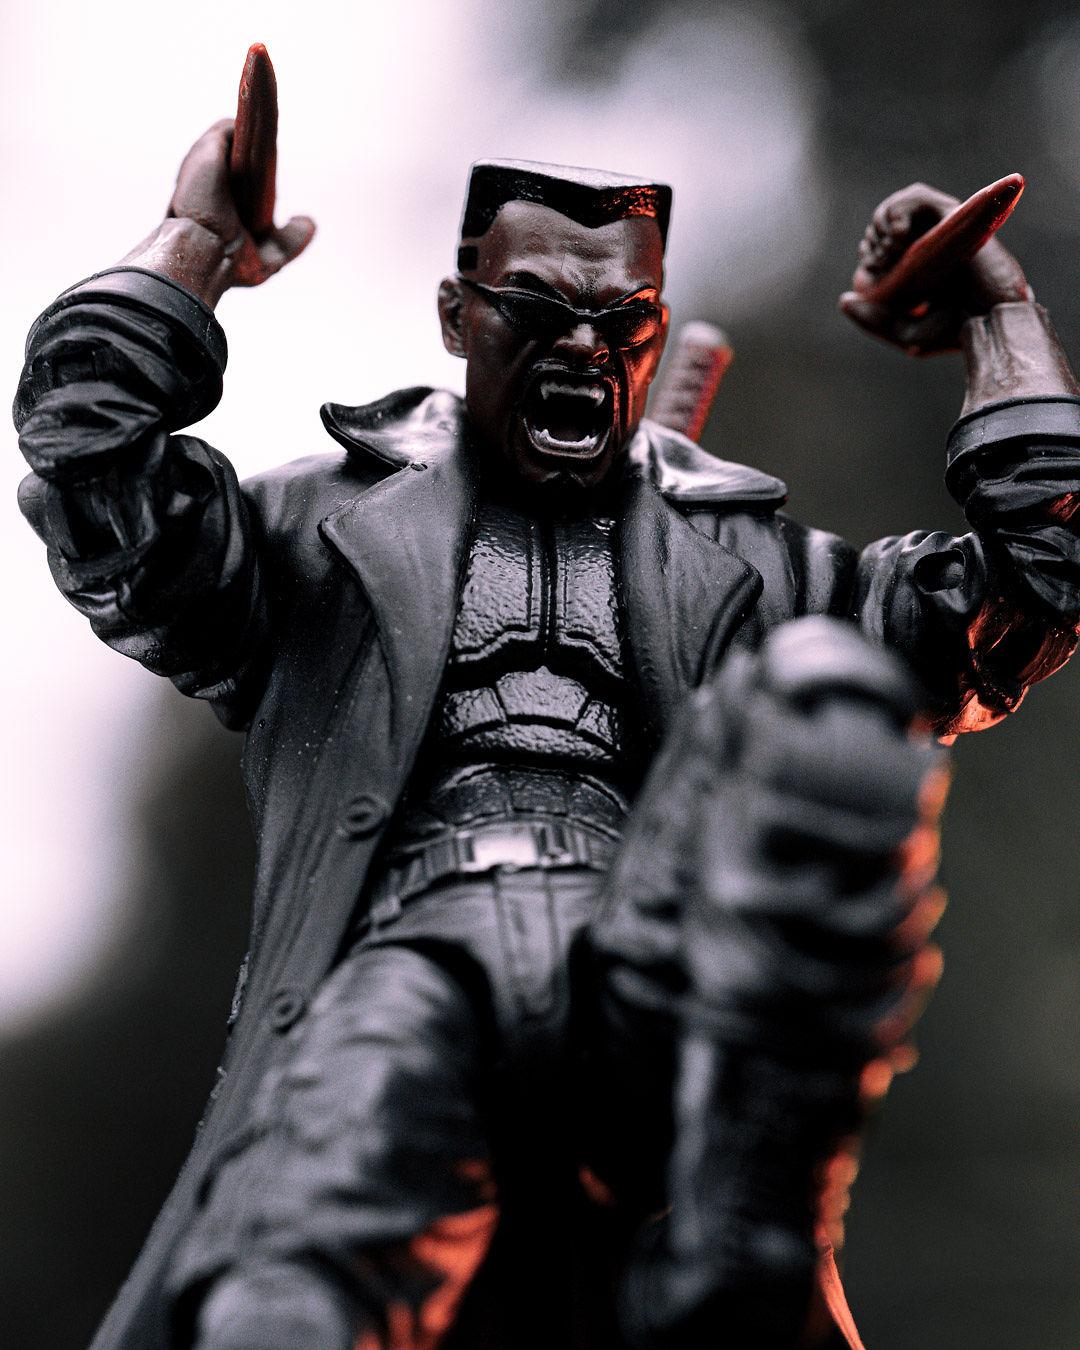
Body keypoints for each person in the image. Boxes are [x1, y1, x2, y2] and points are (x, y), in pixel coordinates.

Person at [13, 109, 1080, 1348]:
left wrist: (1000, 319)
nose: (582, 346)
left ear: (656, 336)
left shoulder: (750, 565)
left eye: (621, 324)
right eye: (535, 310)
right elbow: (94, 469)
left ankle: (751, 1199)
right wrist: (192, 246)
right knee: (293, 1282)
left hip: (654, 949)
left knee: (826, 695)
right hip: (412, 954)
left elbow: (1036, 583)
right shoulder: (316, 532)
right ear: (456, 316)